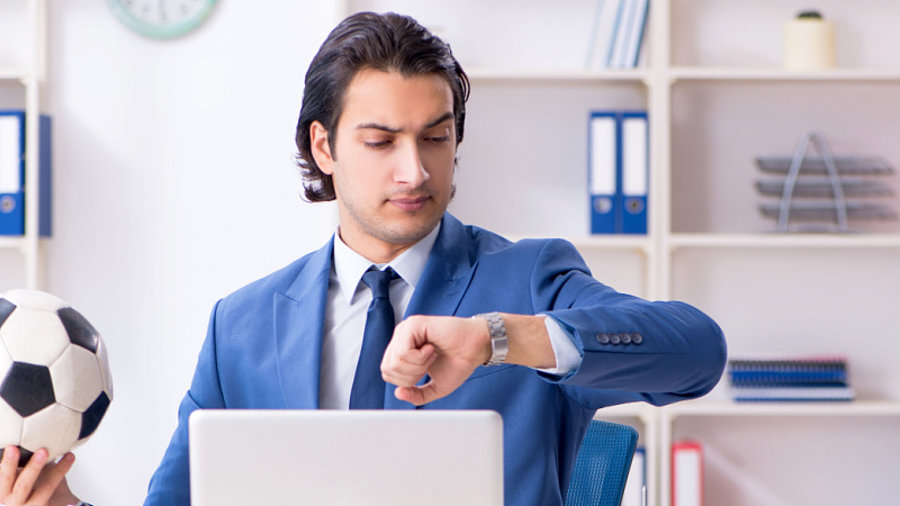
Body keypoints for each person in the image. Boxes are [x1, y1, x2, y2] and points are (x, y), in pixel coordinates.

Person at [3, 11, 726, 506]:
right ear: (324, 147)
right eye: (381, 142)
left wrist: (498, 338)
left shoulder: (527, 279)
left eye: (436, 138)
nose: (414, 170)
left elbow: (697, 351)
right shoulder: (243, 325)